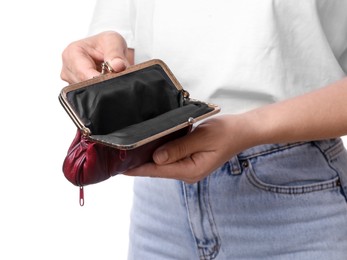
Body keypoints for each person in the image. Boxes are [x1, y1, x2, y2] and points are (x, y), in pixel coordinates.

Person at [60, 1, 347, 259]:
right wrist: (105, 59)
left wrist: (250, 126)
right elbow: (127, 43)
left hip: (295, 200)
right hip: (160, 207)